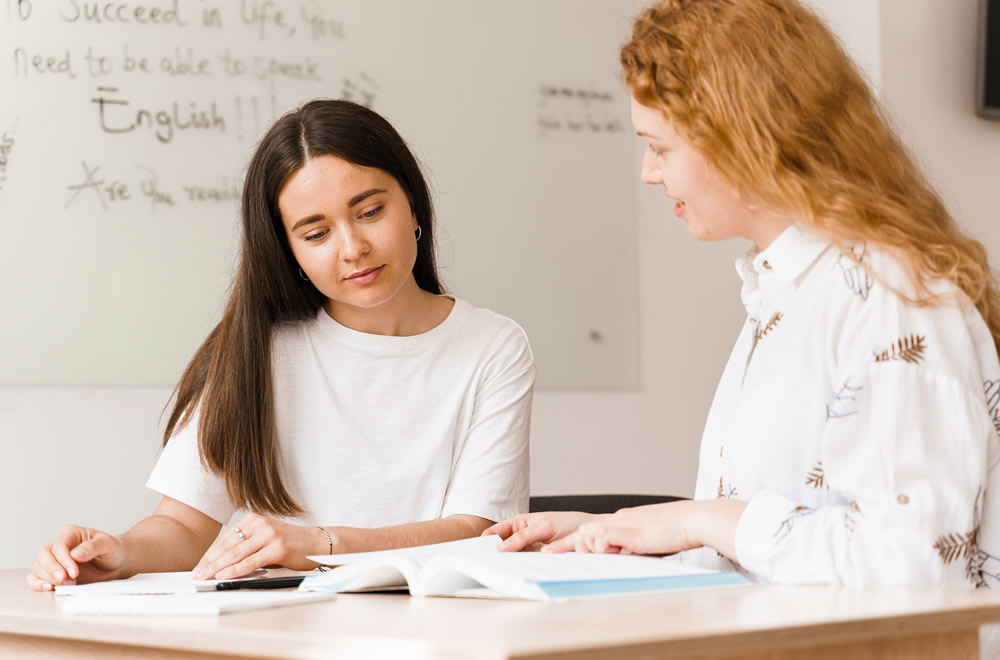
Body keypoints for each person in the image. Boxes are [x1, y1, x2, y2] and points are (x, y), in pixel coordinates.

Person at [487, 0, 1000, 588]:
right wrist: (620, 534)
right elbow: (781, 553)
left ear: (743, 139)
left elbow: (909, 563)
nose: (649, 174)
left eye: (660, 147)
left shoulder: (890, 296)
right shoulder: (785, 291)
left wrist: (699, 519)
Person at [28, 100, 535, 591]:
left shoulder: (492, 346)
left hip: (438, 633)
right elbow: (185, 526)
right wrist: (119, 552)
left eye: (372, 211)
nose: (353, 248)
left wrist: (320, 544)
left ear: (414, 203)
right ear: (288, 250)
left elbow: (477, 531)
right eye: (316, 234)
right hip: (283, 635)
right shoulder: (260, 350)